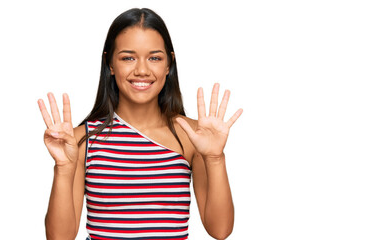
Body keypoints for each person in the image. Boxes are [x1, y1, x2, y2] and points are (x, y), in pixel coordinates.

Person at [37, 8, 242, 240]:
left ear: (168, 65)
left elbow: (221, 230)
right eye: (128, 58)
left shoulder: (192, 135)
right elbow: (59, 238)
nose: (142, 70)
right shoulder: (81, 140)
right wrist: (63, 168)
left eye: (155, 58)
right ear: (110, 64)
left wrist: (215, 158)